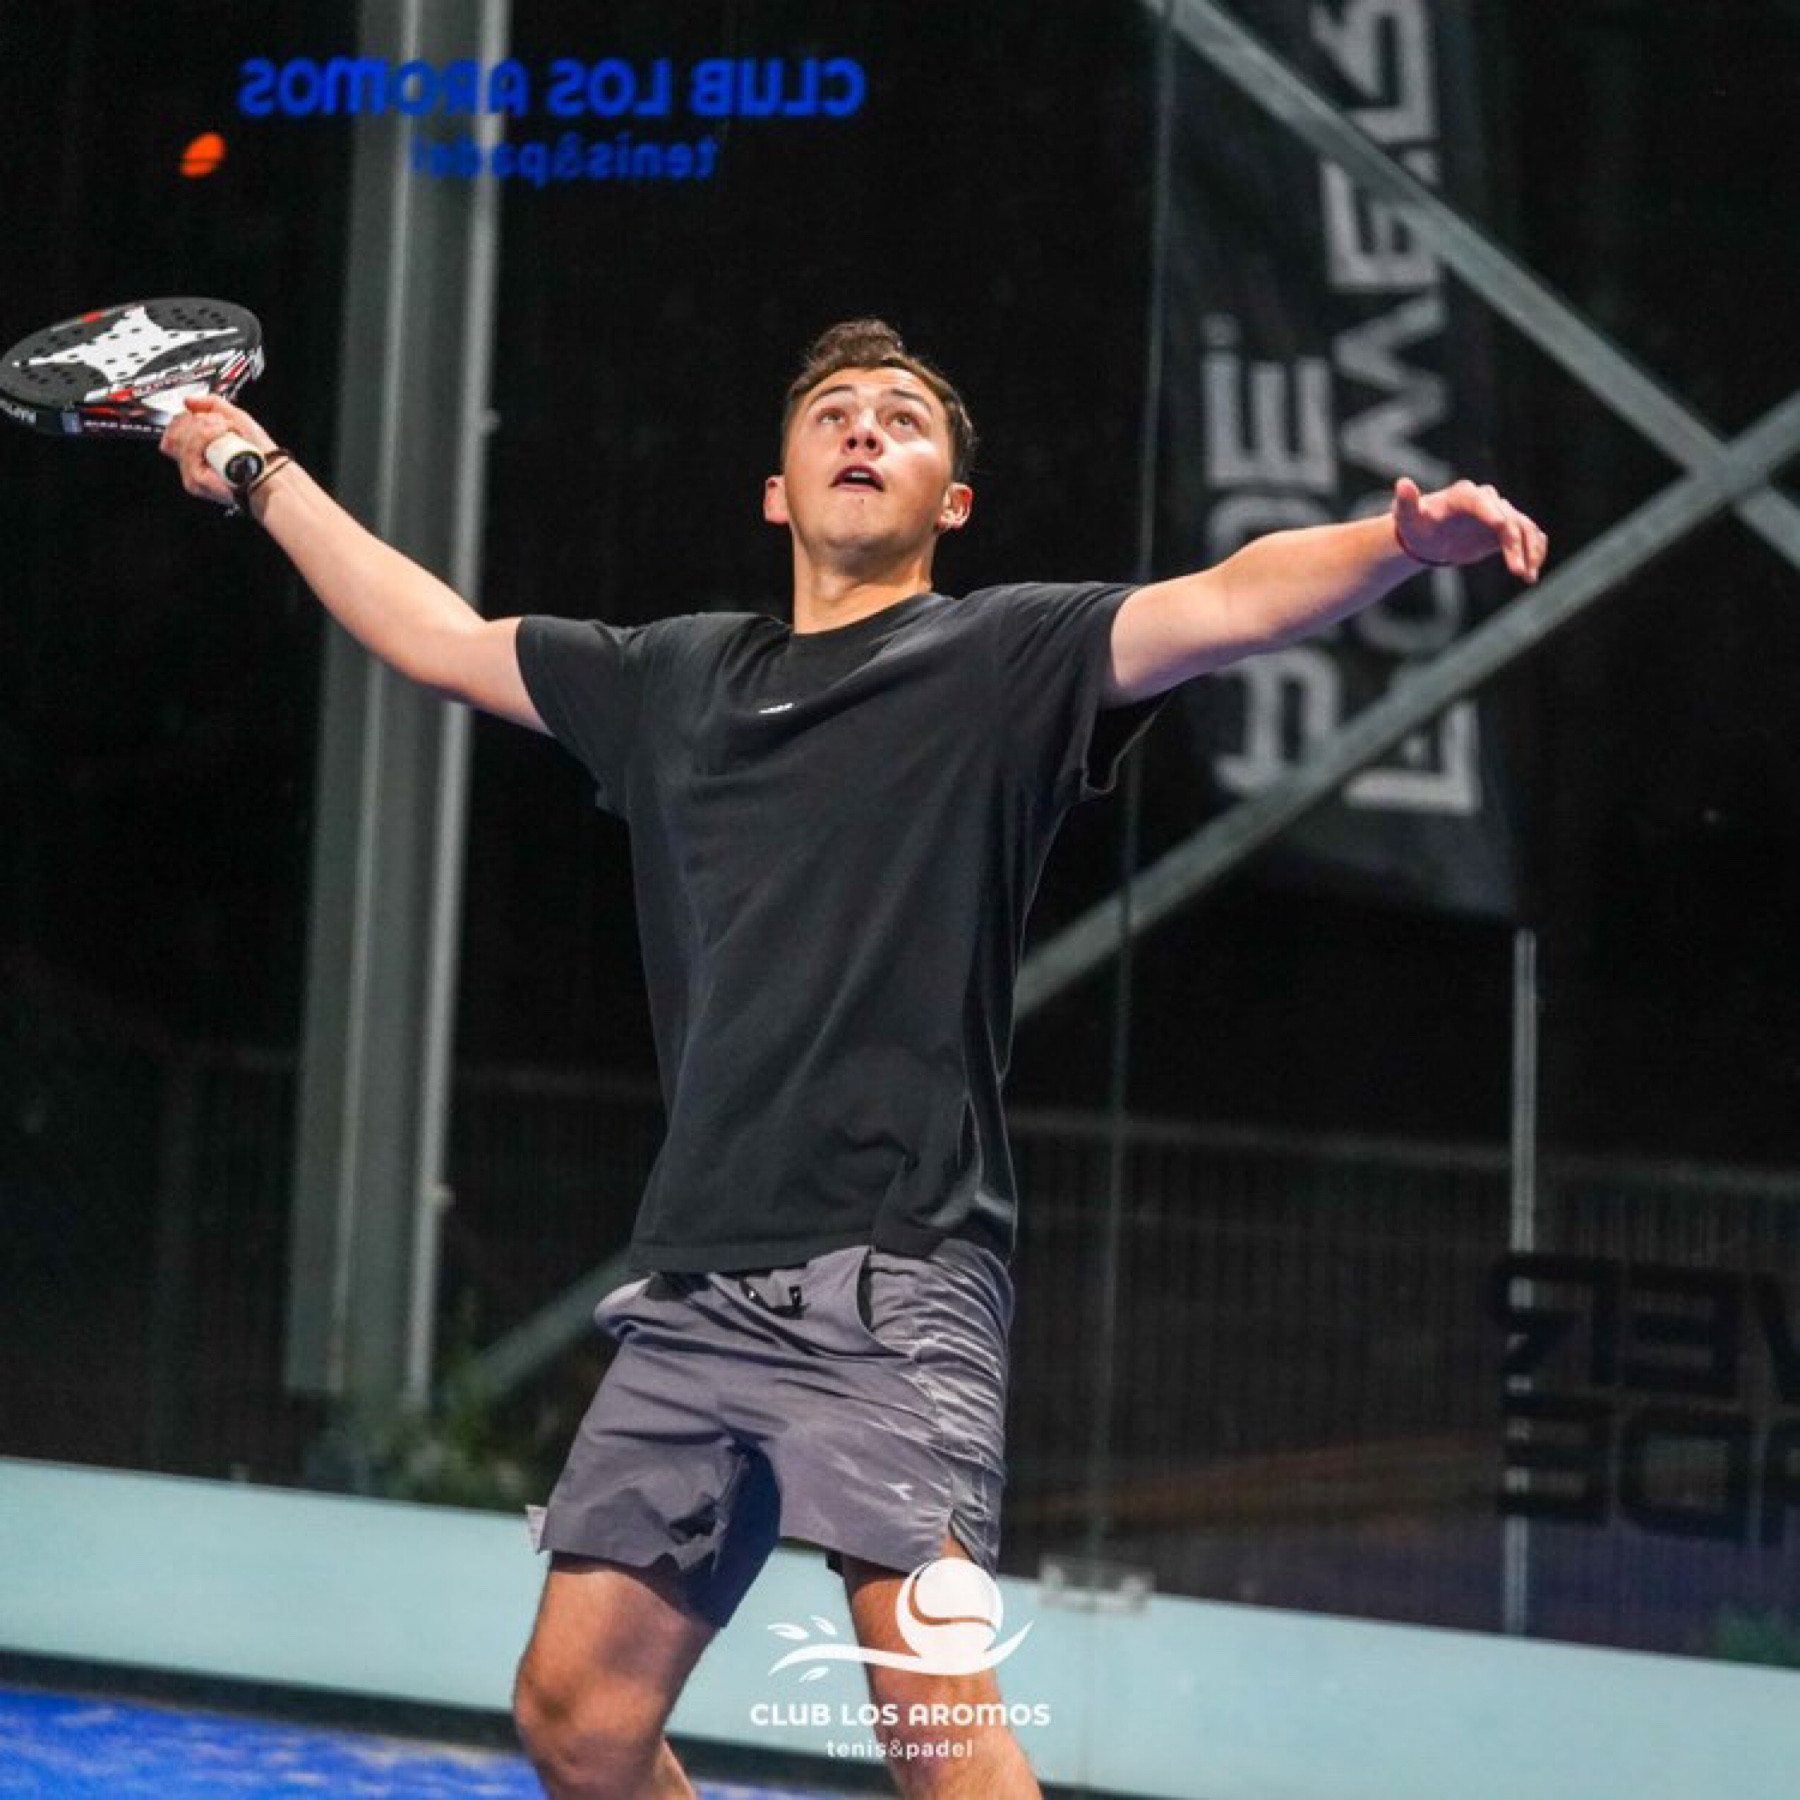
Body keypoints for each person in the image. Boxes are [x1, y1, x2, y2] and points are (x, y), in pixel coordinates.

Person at [163, 318, 1547, 1799]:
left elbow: (1227, 603)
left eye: (901, 416)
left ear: (954, 499)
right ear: (779, 490)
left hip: (895, 1270)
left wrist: (1397, 546)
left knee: (933, 1730)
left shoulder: (1004, 658)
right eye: (833, 412)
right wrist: (258, 470)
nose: (864, 428)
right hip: (698, 1281)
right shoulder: (673, 679)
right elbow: (436, 636)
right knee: (579, 1720)